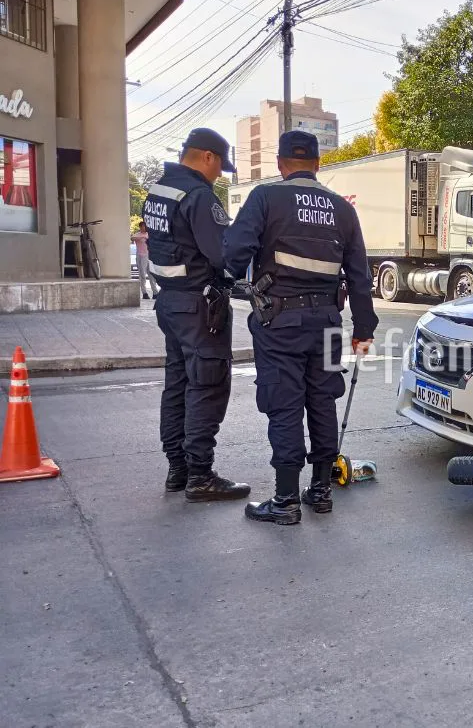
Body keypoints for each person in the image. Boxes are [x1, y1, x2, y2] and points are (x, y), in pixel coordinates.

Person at [223, 130, 378, 525]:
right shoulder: (342, 209)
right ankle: (321, 491)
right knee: (322, 400)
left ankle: (286, 500)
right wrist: (364, 328)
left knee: (284, 404)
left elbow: (234, 253)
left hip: (279, 322)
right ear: (317, 164)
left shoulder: (265, 197)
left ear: (280, 164)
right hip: (326, 322)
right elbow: (360, 277)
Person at [142, 128, 251, 502]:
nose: (220, 174)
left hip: (170, 302)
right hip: (199, 307)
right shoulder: (198, 196)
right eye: (220, 166)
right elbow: (224, 253)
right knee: (207, 385)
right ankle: (200, 476)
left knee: (178, 384)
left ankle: (178, 468)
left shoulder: (158, 190)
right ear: (207, 157)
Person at [132, 220, 159, 300]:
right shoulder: (137, 235)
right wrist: (142, 237)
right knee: (142, 275)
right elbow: (132, 238)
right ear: (140, 227)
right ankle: (144, 293)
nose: (144, 228)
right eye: (143, 226)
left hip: (149, 256)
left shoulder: (149, 234)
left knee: (151, 275)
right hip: (141, 256)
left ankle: (155, 292)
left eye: (145, 226)